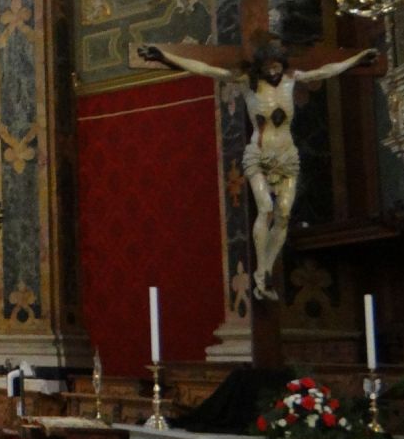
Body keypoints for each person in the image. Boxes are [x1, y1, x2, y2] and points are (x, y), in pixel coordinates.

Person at [139, 41, 377, 299]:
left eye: (277, 66)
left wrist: (357, 59)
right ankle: (261, 272)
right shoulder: (246, 82)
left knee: (283, 213)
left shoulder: (291, 79)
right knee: (266, 208)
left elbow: (327, 70)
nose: (273, 71)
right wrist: (165, 56)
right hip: (259, 155)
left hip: (287, 156)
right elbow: (205, 68)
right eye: (268, 67)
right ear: (260, 66)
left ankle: (264, 271)